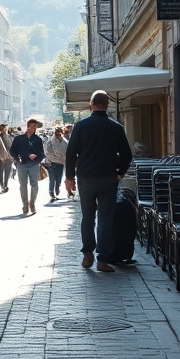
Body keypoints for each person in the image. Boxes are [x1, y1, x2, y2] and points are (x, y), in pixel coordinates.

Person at [64, 90, 134, 272]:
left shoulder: (80, 126)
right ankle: (102, 259)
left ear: (91, 104)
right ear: (107, 105)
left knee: (87, 217)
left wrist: (70, 177)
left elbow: (71, 153)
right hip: (108, 178)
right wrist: (119, 171)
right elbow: (127, 154)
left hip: (86, 178)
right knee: (105, 218)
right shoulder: (116, 126)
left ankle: (88, 253)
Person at [9, 117, 46, 215]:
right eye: (32, 126)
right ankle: (25, 205)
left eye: (35, 127)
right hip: (21, 165)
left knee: (35, 185)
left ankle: (32, 203)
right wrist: (18, 158)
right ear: (27, 126)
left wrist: (36, 157)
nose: (34, 128)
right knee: (23, 185)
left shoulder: (38, 139)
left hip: (33, 165)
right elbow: (12, 151)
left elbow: (42, 153)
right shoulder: (18, 139)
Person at [44, 127, 68, 202]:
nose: (59, 133)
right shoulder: (50, 141)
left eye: (60, 132)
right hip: (52, 162)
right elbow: (47, 152)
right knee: (52, 178)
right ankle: (51, 192)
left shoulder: (64, 140)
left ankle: (57, 188)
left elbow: (67, 149)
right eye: (58, 132)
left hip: (61, 162)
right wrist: (53, 158)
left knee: (59, 178)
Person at [0, 124, 14, 193]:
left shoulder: (9, 137)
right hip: (0, 159)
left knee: (7, 173)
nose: (3, 130)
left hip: (8, 158)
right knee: (1, 173)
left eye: (4, 128)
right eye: (2, 128)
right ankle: (3, 186)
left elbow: (12, 147)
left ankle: (5, 185)